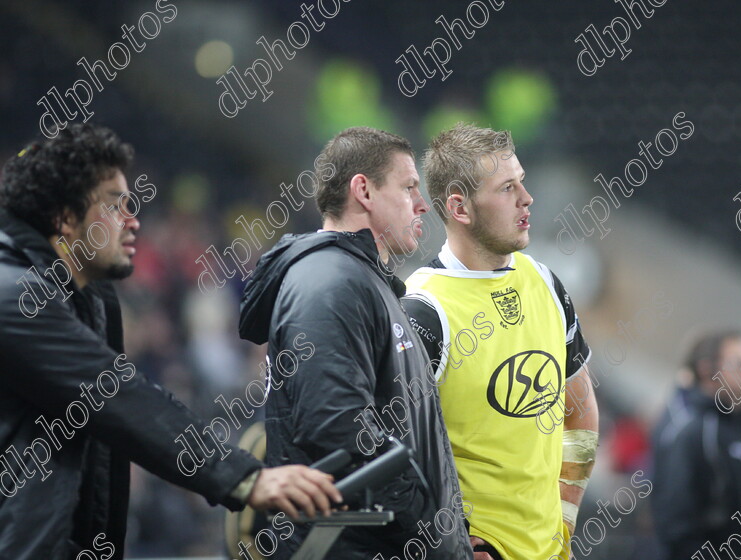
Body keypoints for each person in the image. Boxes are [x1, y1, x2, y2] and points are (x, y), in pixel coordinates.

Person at [0, 124, 341, 559]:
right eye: (114, 206)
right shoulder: (15, 296)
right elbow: (119, 398)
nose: (133, 220)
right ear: (65, 218)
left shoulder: (86, 297)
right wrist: (245, 478)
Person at [238, 127, 473, 559]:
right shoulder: (328, 280)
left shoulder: (363, 281)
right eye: (408, 188)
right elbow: (337, 425)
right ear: (363, 190)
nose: (422, 205)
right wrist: (428, 526)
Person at [402, 123, 600, 560]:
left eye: (522, 182)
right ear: (460, 207)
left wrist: (565, 519)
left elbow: (581, 412)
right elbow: (395, 455)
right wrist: (449, 542)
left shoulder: (546, 283)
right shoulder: (422, 309)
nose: (526, 199)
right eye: (507, 188)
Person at [651, 330, 741, 560]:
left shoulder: (737, 428)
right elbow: (676, 528)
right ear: (707, 370)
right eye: (739, 364)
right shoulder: (694, 434)